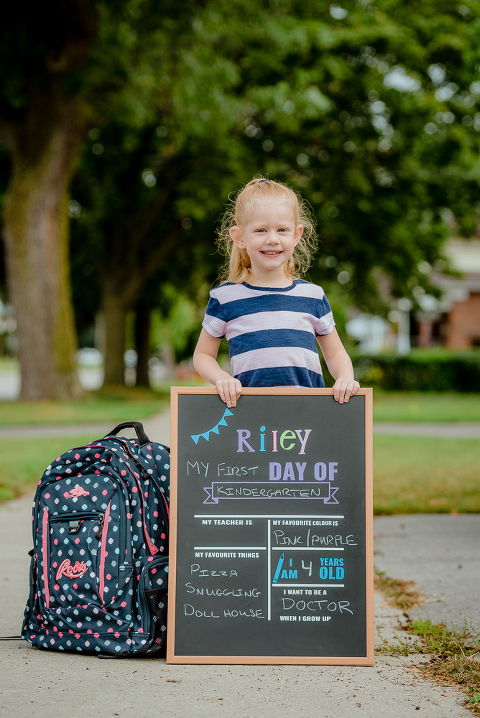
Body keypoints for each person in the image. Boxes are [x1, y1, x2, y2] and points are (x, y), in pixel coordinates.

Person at [193, 177, 360, 408]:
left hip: (308, 419)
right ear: (239, 237)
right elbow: (202, 356)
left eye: (282, 230)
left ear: (296, 235)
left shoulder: (313, 296)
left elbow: (334, 354)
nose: (272, 239)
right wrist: (222, 378)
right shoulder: (225, 299)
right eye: (260, 230)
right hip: (250, 422)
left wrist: (345, 378)